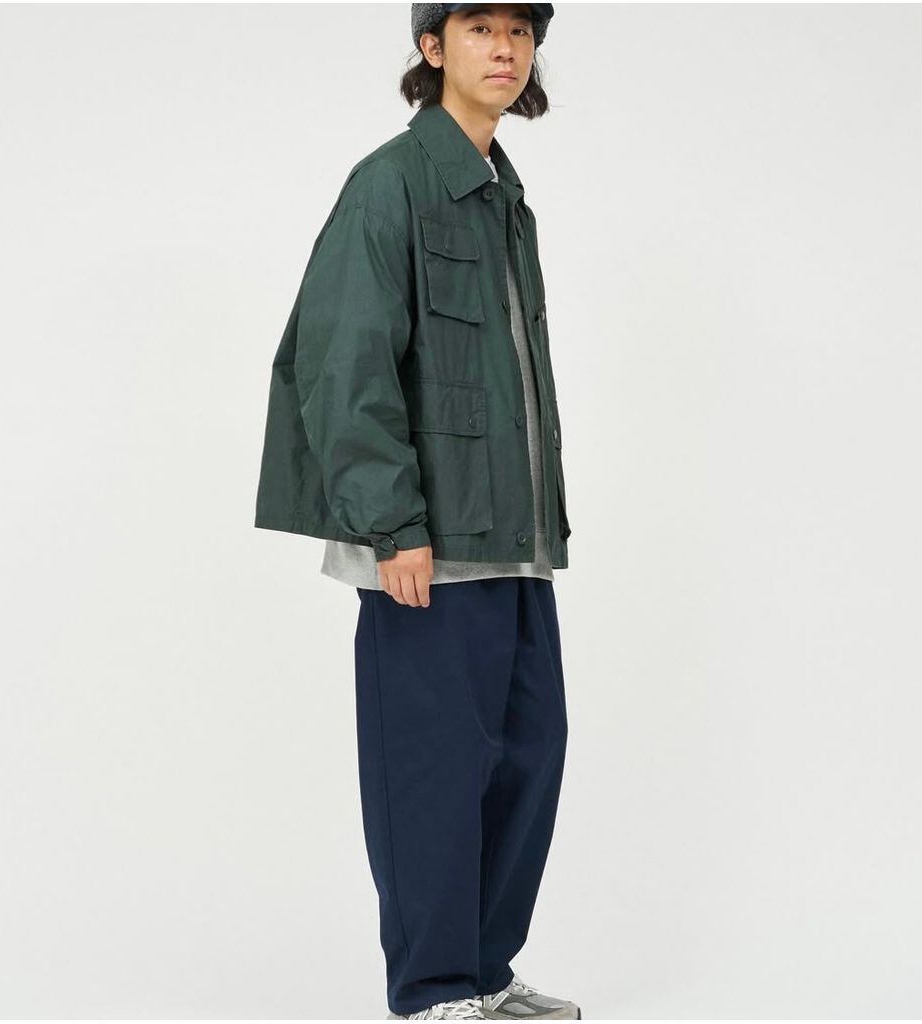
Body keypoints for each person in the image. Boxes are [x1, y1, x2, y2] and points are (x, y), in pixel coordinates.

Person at [254, 4, 578, 1019]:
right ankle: (433, 988)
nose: (504, 48)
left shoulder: (500, 197)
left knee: (528, 755)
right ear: (432, 49)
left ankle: (483, 969)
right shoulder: (390, 183)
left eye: (519, 31)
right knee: (432, 768)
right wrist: (392, 524)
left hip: (511, 538)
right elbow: (341, 363)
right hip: (425, 546)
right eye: (478, 28)